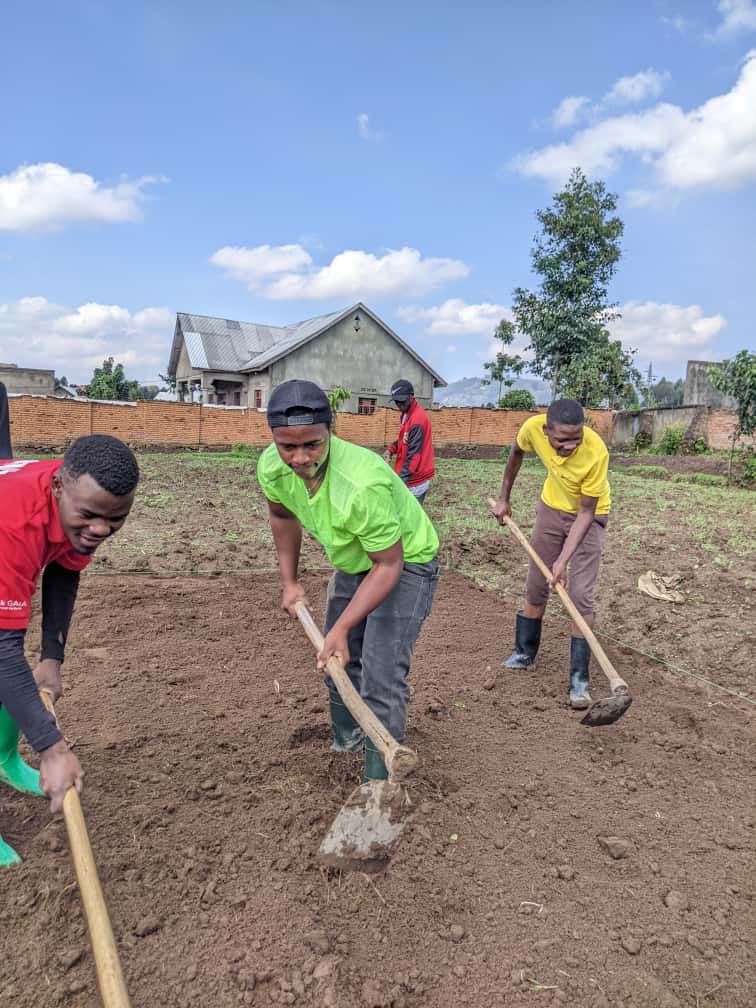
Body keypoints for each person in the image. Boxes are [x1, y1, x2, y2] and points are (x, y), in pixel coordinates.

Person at [258, 379, 440, 781]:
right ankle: (348, 741)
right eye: (288, 446)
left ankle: (380, 784)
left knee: (380, 672)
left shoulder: (361, 484)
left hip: (405, 560)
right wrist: (290, 582)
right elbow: (283, 516)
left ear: (331, 431)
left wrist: (341, 627)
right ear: (273, 439)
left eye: (313, 445)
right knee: (337, 659)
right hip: (357, 560)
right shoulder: (272, 467)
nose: (300, 458)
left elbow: (389, 565)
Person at [0, 424, 139, 865]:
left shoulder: (74, 500)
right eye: (90, 516)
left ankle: (4, 758)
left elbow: (64, 568)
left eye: (115, 519)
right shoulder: (14, 523)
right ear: (59, 486)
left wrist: (51, 657)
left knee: (16, 673)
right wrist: (53, 749)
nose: (100, 529)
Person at [491, 399, 611, 710]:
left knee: (581, 595)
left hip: (590, 517)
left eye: (577, 438)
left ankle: (579, 680)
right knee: (536, 583)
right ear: (546, 431)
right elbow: (516, 453)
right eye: (562, 440)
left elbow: (586, 513)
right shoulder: (532, 428)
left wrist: (562, 561)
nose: (570, 446)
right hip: (551, 509)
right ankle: (525, 652)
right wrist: (504, 498)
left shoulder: (596, 452)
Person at [383, 379, 435, 505]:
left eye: (402, 401)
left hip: (415, 480)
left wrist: (399, 483)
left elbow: (414, 457)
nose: (400, 405)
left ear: (411, 397)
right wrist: (391, 450)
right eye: (397, 402)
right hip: (408, 475)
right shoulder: (406, 414)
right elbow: (404, 439)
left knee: (410, 517)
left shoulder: (417, 420)